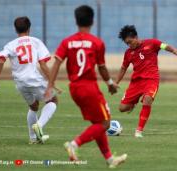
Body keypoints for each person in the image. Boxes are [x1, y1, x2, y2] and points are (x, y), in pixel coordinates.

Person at [45, 5, 127, 168]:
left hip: (74, 88)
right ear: (92, 21)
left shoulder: (67, 42)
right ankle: (74, 145)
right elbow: (102, 67)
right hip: (89, 88)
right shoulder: (97, 43)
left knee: (98, 123)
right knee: (105, 124)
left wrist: (50, 85)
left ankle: (110, 159)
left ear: (76, 21)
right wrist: (110, 84)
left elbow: (57, 63)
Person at [0, 16, 59, 144]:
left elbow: (1, 61)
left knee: (34, 106)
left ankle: (33, 139)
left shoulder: (10, 45)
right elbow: (43, 64)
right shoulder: (35, 41)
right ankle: (39, 125)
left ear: (15, 29)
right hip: (34, 79)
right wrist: (52, 81)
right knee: (53, 100)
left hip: (20, 83)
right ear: (29, 28)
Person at [116, 25, 177, 138]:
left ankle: (138, 131)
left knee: (147, 99)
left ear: (136, 37)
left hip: (151, 79)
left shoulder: (152, 43)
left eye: (130, 42)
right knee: (122, 108)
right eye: (127, 43)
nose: (129, 45)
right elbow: (123, 68)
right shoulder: (128, 53)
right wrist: (116, 82)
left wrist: (173, 50)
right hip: (136, 82)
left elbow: (163, 45)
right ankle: (134, 103)